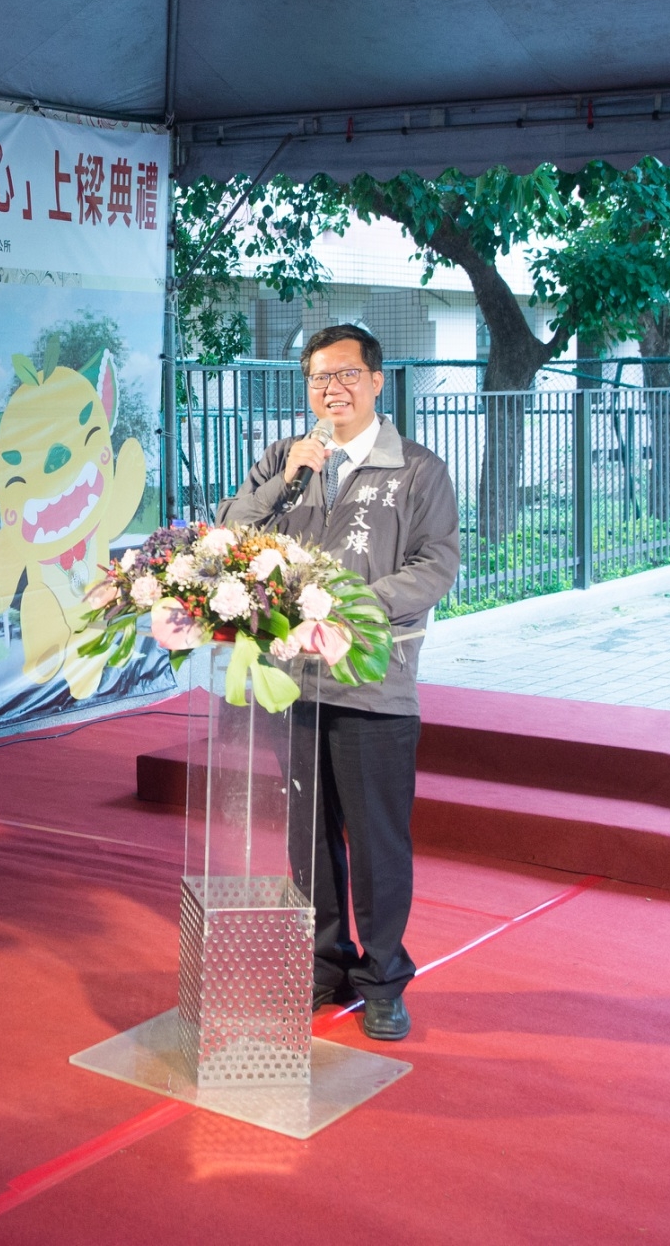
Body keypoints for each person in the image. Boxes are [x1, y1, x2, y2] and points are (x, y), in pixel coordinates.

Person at [221, 324, 460, 1042]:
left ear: (377, 381)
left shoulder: (416, 469)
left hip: (372, 685)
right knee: (310, 839)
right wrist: (284, 477)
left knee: (378, 842)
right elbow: (229, 534)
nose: (334, 389)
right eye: (320, 377)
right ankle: (325, 965)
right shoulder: (285, 459)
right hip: (291, 685)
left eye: (348, 374)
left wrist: (349, 608)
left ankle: (384, 980)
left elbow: (437, 564)